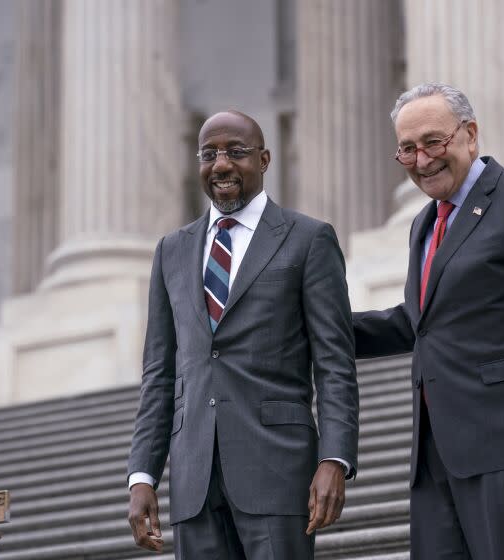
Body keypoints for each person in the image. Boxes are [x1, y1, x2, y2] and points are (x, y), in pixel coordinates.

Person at [353, 83, 504, 559]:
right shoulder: (423, 224)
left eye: (433, 141)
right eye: (408, 148)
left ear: (470, 134)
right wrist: (320, 327)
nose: (422, 160)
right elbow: (418, 322)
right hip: (437, 457)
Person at [127, 110, 359, 559]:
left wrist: (335, 457)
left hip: (278, 470)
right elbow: (159, 371)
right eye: (208, 153)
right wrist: (142, 475)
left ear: (265, 159)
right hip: (194, 481)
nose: (221, 165)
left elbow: (334, 362)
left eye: (236, 151)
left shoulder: (308, 239)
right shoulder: (170, 251)